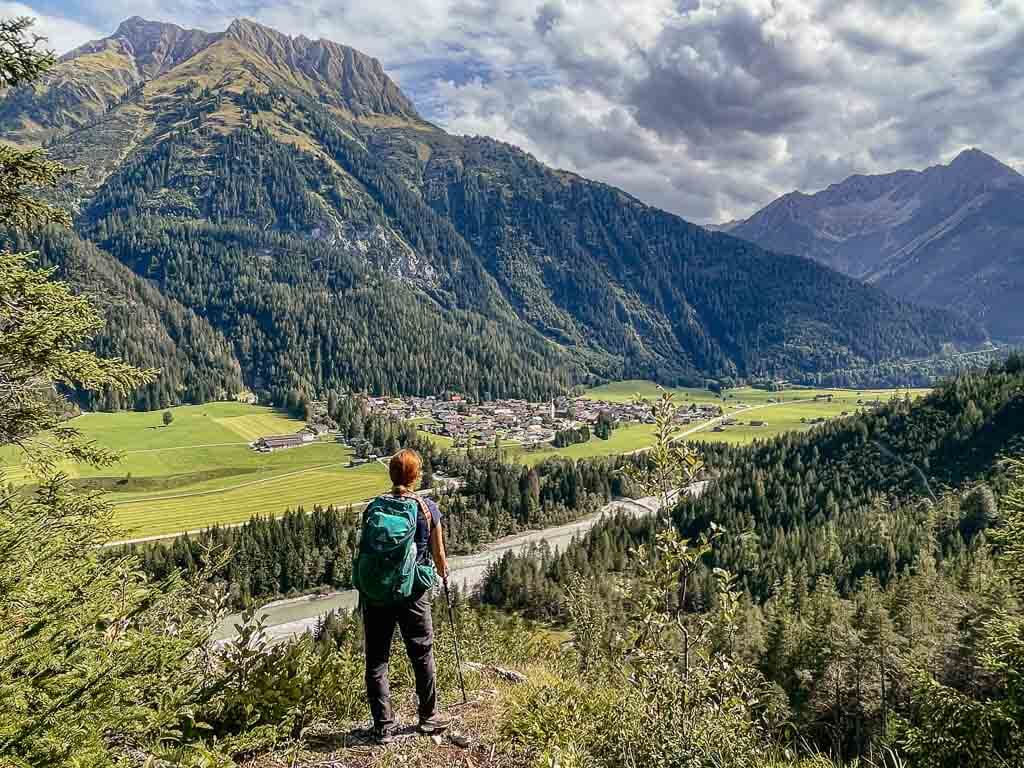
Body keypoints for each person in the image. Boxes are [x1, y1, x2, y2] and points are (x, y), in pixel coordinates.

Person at [362, 448, 452, 744]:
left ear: (391, 475)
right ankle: (428, 717)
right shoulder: (427, 508)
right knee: (421, 652)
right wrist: (443, 572)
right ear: (416, 476)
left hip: (376, 592)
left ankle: (383, 727)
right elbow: (438, 554)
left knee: (377, 659)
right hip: (413, 592)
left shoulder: (373, 507)